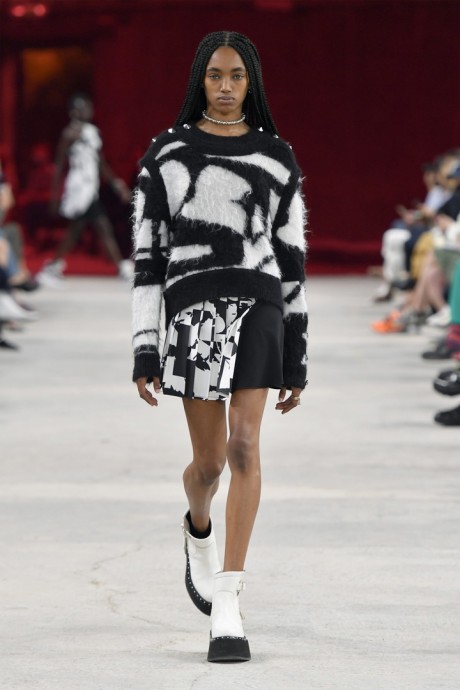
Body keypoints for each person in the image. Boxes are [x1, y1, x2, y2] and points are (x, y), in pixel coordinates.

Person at [131, 31, 308, 663]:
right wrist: (145, 345)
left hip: (259, 301)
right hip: (193, 308)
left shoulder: (276, 156)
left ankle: (228, 603)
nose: (227, 86)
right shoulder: (167, 154)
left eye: (236, 75)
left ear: (251, 81)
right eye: (215, 76)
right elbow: (148, 256)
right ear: (199, 81)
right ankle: (197, 527)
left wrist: (297, 351)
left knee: (244, 445)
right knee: (207, 465)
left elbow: (291, 258)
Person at [36, 93, 133, 285]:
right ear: (74, 111)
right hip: (79, 189)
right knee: (102, 227)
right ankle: (122, 269)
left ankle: (52, 267)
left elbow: (100, 163)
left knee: (79, 230)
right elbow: (59, 166)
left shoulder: (92, 132)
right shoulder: (69, 134)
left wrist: (117, 184)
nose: (89, 111)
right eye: (84, 108)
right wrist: (55, 196)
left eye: (90, 107)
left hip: (91, 187)